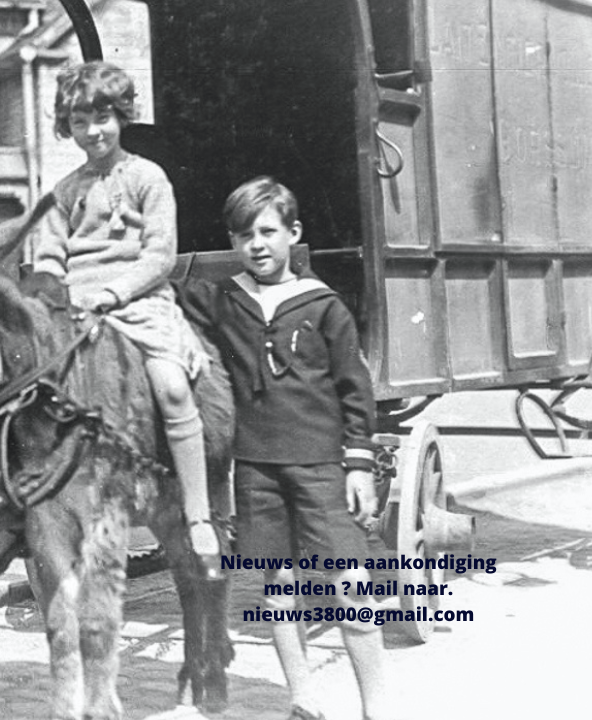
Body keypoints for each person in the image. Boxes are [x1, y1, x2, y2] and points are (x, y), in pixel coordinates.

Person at [180, 177, 389, 720]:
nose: (256, 244)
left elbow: (354, 387)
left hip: (321, 465)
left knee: (350, 585)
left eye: (268, 231)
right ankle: (303, 697)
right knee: (278, 585)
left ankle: (378, 704)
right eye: (243, 234)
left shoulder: (323, 306)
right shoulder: (225, 300)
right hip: (256, 468)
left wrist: (359, 465)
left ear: (293, 234)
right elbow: (167, 293)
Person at [31, 61, 219, 566]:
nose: (92, 132)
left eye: (102, 118)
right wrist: (57, 293)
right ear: (65, 127)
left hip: (137, 302)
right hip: (77, 312)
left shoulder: (147, 177)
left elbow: (159, 255)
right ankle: (38, 506)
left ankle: (198, 512)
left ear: (121, 116)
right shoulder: (63, 191)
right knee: (34, 394)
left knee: (173, 386)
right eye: (78, 122)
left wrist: (113, 293)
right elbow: (49, 257)